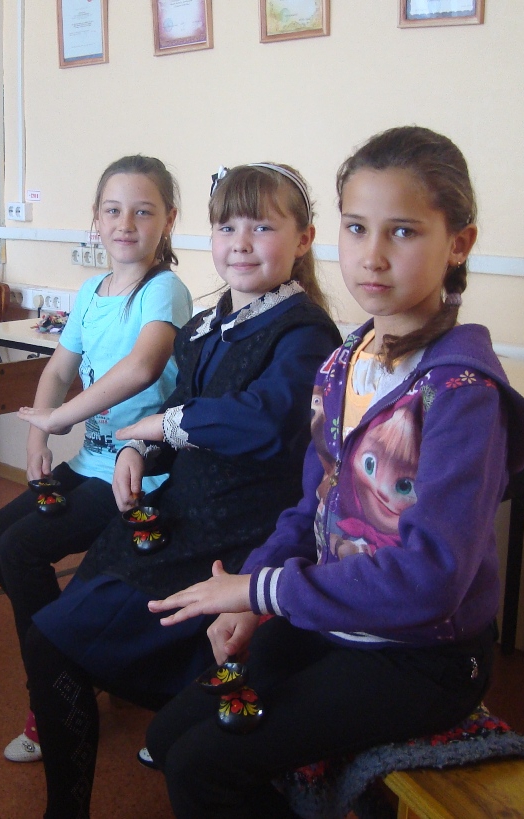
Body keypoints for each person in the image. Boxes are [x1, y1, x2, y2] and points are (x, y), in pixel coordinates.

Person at [145, 126, 524, 819]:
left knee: (201, 767)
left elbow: (430, 577)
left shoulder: (460, 392)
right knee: (168, 737)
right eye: (357, 227)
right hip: (334, 620)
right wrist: (250, 598)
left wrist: (264, 588)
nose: (372, 255)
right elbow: (312, 507)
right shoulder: (344, 362)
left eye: (403, 232)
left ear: (459, 243)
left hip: (423, 655)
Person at [21, 162, 342, 817]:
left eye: (262, 227)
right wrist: (139, 448)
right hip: (181, 515)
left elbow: (264, 419)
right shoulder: (206, 323)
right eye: (227, 227)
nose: (241, 243)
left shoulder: (307, 332)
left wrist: (162, 426)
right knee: (59, 632)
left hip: (240, 530)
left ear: (304, 239)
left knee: (61, 640)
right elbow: (177, 407)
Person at [0, 155, 193, 761]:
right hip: (90, 462)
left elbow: (143, 367)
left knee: (22, 549)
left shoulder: (164, 290)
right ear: (95, 218)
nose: (126, 223)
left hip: (139, 472)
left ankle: (52, 688)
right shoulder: (92, 292)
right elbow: (57, 371)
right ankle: (73, 659)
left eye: (143, 211)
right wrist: (39, 438)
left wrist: (62, 416)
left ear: (169, 220)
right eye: (114, 210)